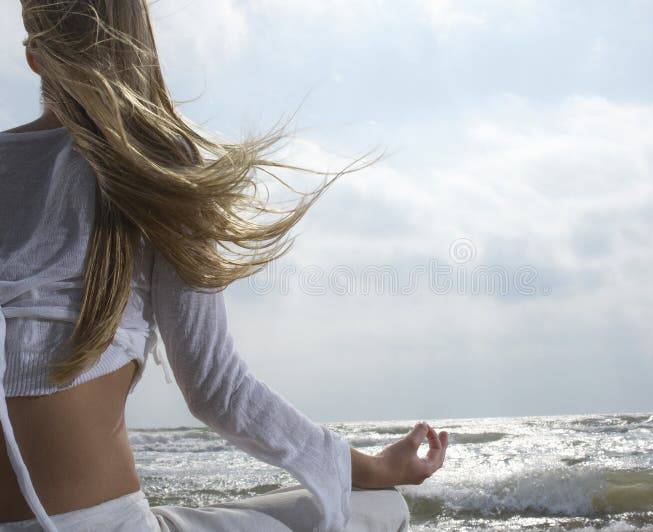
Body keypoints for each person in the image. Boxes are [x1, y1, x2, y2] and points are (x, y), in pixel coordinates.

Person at [0, 1, 448, 531]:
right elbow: (217, 387)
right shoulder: (158, 166)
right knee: (380, 507)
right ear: (142, 47)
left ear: (33, 57)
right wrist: (376, 466)